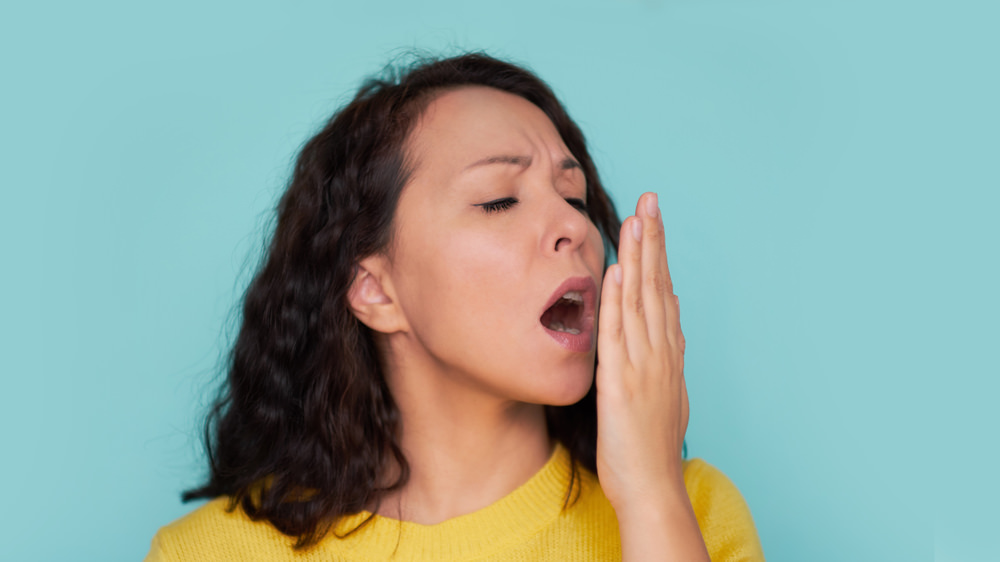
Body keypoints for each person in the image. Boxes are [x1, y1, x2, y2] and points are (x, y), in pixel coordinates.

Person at [144, 52, 766, 561]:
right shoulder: (208, 553)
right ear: (375, 290)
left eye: (574, 197)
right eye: (499, 199)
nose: (573, 228)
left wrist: (652, 494)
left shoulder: (693, 512)